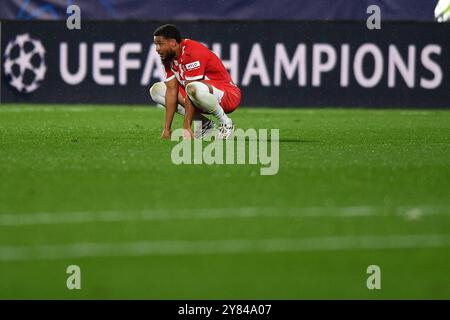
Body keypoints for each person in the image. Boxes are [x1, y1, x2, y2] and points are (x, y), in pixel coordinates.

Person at [149, 24, 241, 139]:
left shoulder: (192, 52)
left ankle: (226, 123)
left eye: (160, 44)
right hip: (201, 97)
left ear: (172, 42)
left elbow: (190, 92)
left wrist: (186, 127)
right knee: (156, 91)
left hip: (227, 95)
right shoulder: (168, 56)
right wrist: (167, 129)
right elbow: (172, 90)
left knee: (192, 88)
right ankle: (204, 124)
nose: (157, 49)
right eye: (156, 44)